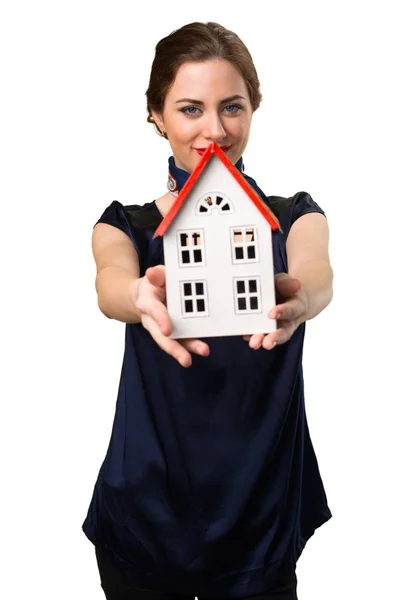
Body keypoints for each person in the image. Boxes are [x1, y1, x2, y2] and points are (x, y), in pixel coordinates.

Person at [82, 21, 333, 600]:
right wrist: (138, 297)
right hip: (147, 508)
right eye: (191, 109)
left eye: (233, 107)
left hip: (259, 509)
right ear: (157, 115)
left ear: (254, 110)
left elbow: (317, 273)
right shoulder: (128, 224)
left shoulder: (292, 214)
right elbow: (111, 283)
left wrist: (301, 299)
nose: (215, 131)